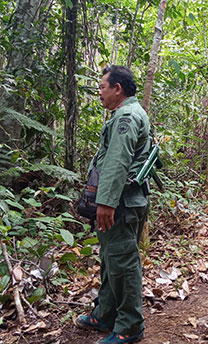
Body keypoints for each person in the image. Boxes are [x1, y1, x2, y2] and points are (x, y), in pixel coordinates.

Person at [76, 65, 151, 344]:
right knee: (111, 259)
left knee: (122, 262)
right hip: (120, 202)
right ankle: (106, 313)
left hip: (121, 203)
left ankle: (130, 325)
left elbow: (118, 160)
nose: (100, 94)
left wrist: (105, 203)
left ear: (117, 89)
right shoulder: (124, 113)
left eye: (102, 88)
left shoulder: (127, 116)